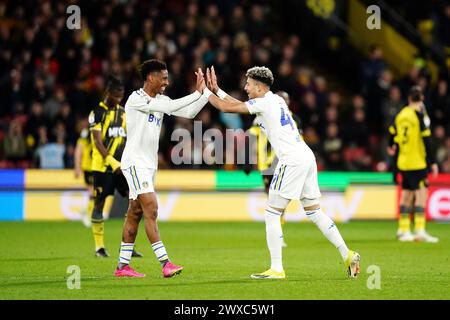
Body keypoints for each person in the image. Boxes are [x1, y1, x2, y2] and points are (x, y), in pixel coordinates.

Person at [205, 66, 360, 279]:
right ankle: (348, 255)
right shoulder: (275, 100)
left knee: (272, 213)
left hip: (291, 160)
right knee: (314, 212)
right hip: (306, 156)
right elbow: (238, 104)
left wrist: (205, 92)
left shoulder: (265, 102)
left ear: (259, 87)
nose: (245, 87)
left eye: (248, 84)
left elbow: (225, 108)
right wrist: (218, 90)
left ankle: (277, 269)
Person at [114, 59, 211, 278]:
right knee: (152, 208)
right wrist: (197, 93)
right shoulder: (136, 99)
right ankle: (165, 263)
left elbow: (188, 113)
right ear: (150, 77)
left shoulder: (161, 100)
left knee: (135, 212)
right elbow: (170, 106)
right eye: (163, 78)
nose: (167, 82)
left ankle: (122, 267)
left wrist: (205, 94)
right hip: (135, 162)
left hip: (149, 165)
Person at [89, 76, 143, 258]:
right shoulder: (97, 113)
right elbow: (97, 142)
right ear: (108, 93)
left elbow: (130, 138)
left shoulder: (124, 113)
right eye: (116, 96)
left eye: (121, 96)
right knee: (99, 204)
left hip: (123, 168)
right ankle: (99, 248)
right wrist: (112, 162)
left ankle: (127, 246)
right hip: (103, 168)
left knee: (136, 203)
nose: (119, 100)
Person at [247, 91, 302, 248]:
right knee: (272, 200)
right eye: (282, 99)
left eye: (287, 99)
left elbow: (299, 141)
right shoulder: (261, 117)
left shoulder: (293, 119)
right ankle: (276, 234)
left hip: (284, 163)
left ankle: (278, 235)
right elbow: (251, 136)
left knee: (279, 200)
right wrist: (248, 159)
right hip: (266, 165)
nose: (284, 102)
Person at [388, 86, 439, 243]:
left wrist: (392, 150)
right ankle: (419, 229)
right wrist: (433, 161)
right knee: (421, 194)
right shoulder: (419, 115)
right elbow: (427, 139)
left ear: (409, 98)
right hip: (417, 161)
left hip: (403, 161)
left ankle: (403, 230)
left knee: (406, 195)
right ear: (421, 99)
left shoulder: (401, 115)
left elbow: (392, 134)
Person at [74, 124, 94, 228]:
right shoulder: (86, 134)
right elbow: (79, 150)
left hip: (97, 167)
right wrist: (77, 167)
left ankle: (87, 212)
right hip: (88, 167)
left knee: (96, 192)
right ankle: (86, 213)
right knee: (93, 191)